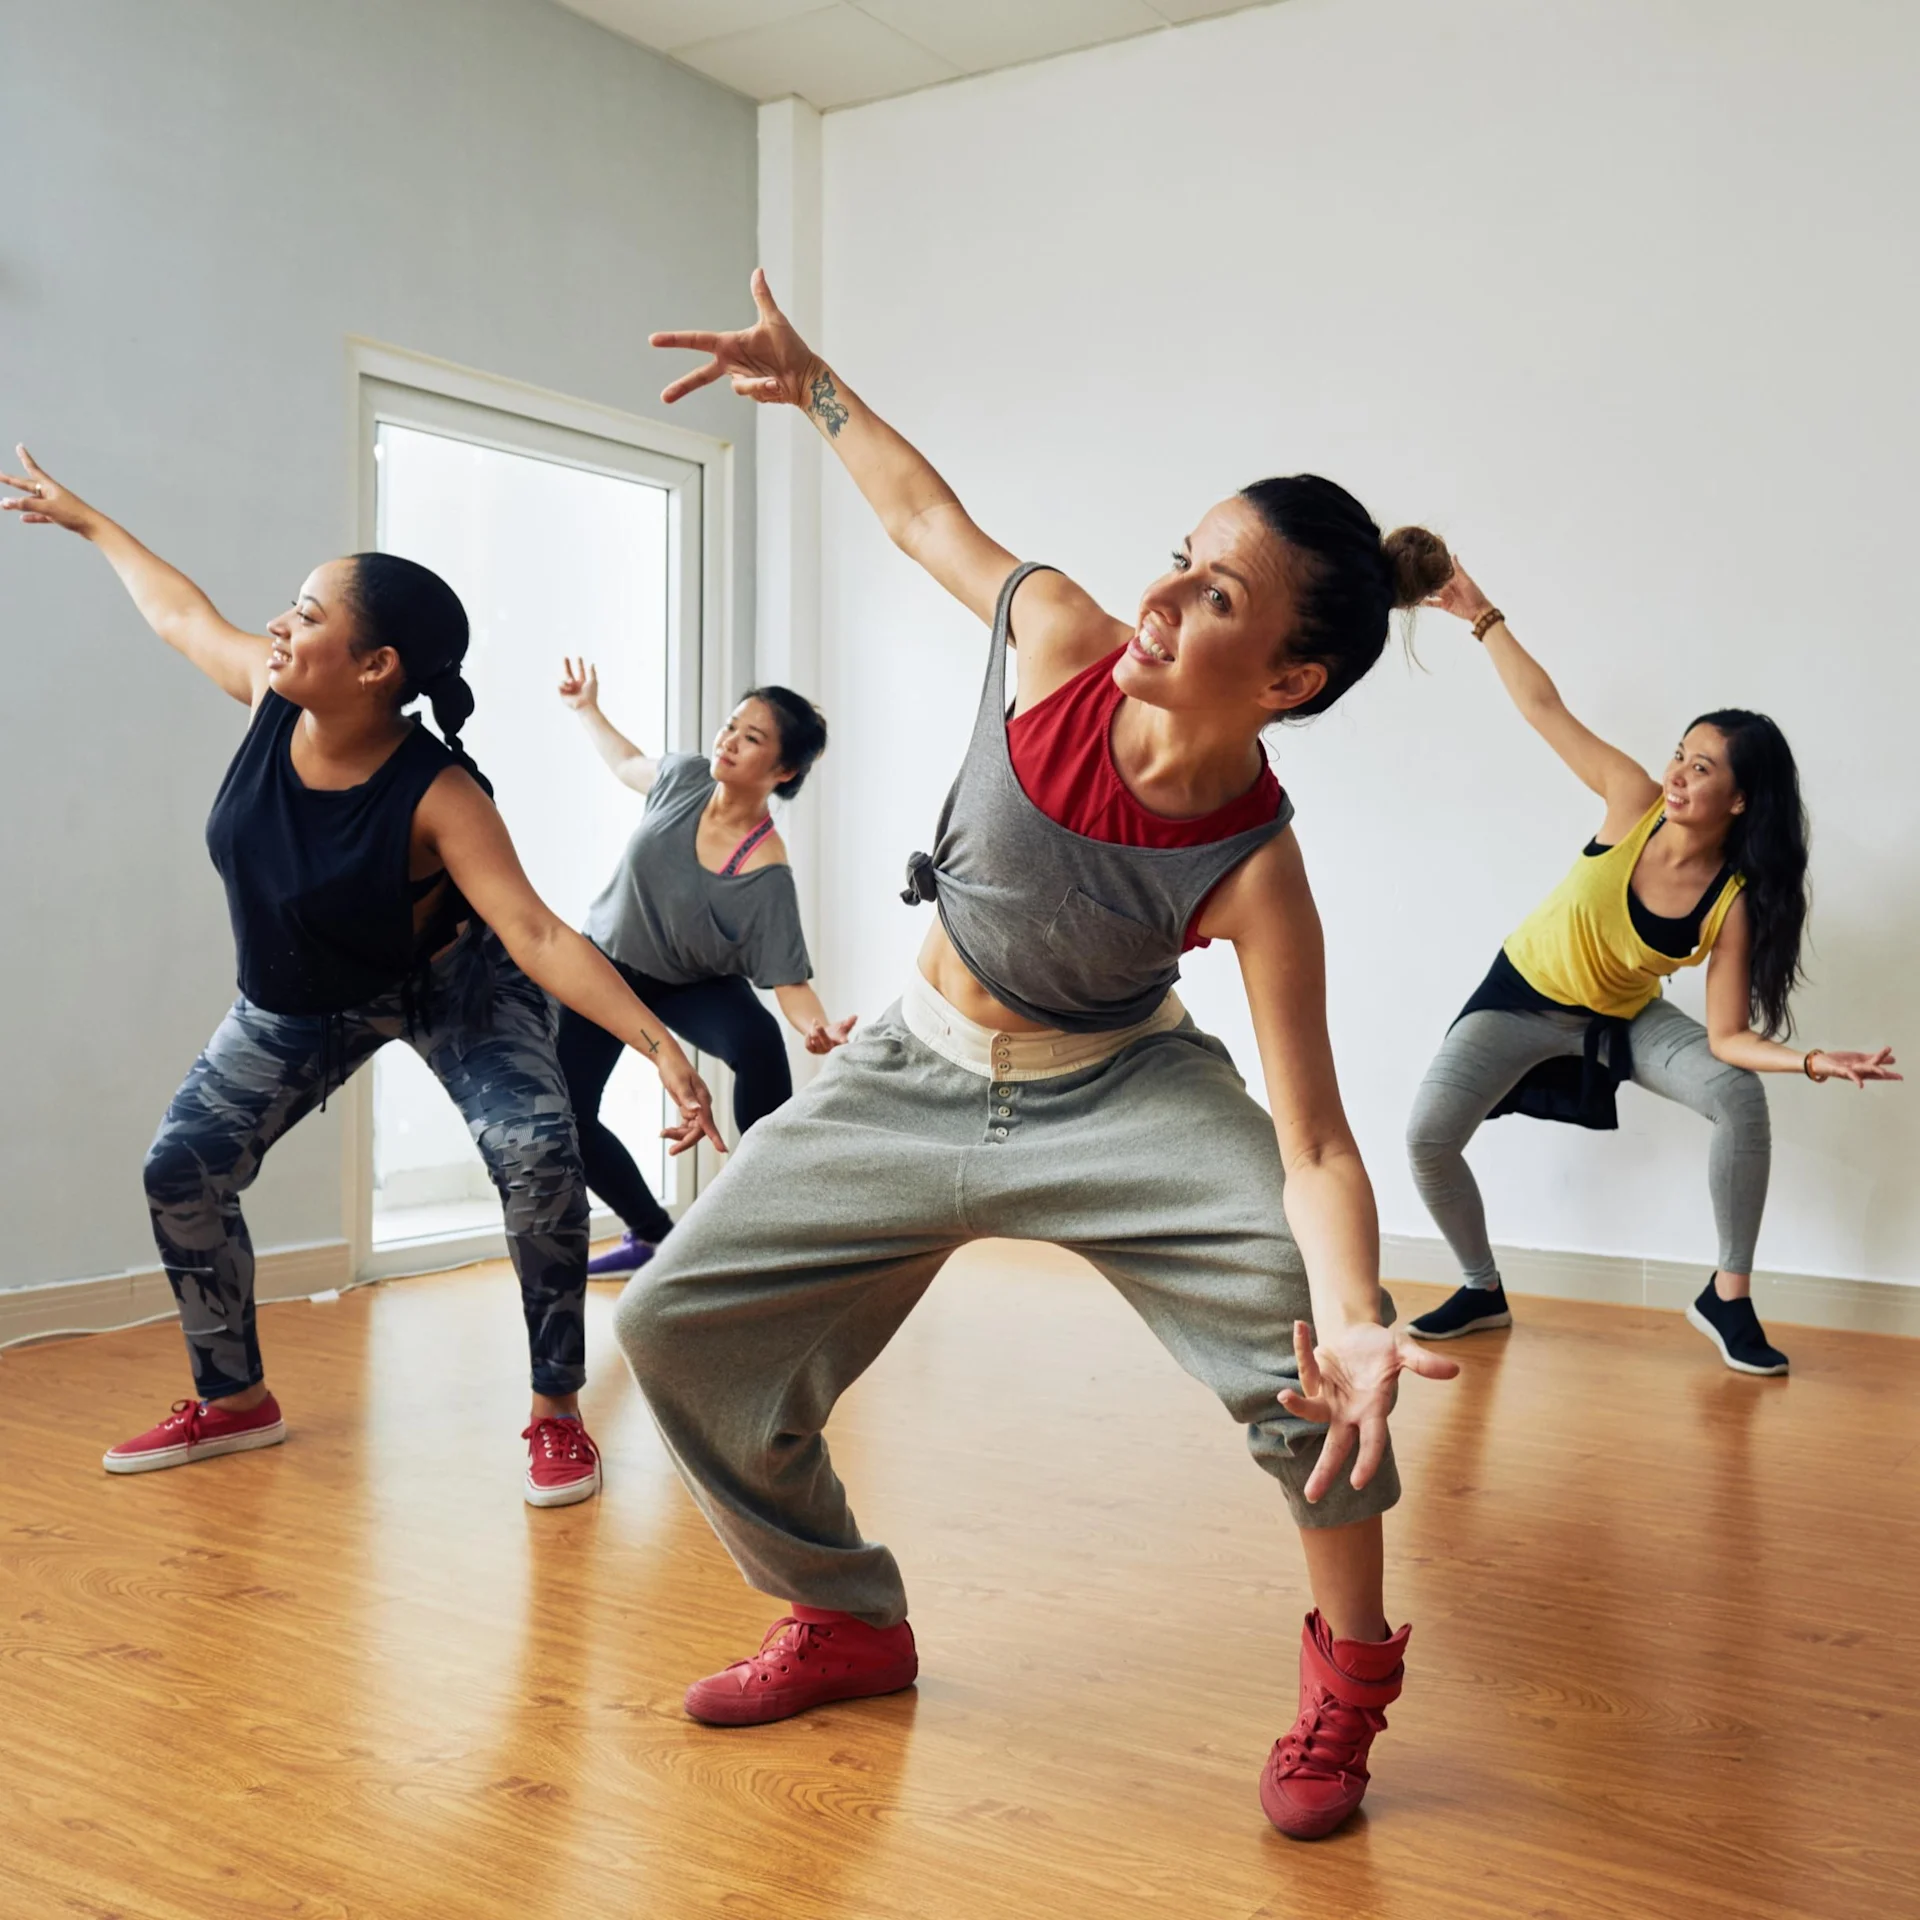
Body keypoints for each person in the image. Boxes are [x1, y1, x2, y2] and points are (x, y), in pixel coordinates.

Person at [615, 271, 1461, 1842]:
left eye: (1218, 597)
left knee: (1320, 1381)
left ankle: (1351, 1676)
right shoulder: (1062, 637)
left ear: (1289, 681)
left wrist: (1354, 1311)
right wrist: (812, 386)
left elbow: (1319, 1143)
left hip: (1121, 1090)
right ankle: (848, 1618)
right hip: (917, 1064)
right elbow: (926, 519)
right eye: (1181, 560)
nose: (1165, 598)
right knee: (674, 1323)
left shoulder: (1256, 862)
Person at [3, 445, 722, 1506]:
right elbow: (179, 614)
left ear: (377, 665)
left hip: (455, 986)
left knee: (538, 1157)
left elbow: (532, 931)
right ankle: (234, 1397)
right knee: (182, 1168)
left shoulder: (439, 794)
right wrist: (90, 521)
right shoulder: (268, 699)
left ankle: (555, 1411)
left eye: (305, 612)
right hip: (302, 999)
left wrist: (661, 1046)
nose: (279, 625)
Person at [1404, 561, 1899, 1374]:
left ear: (1740, 799)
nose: (1677, 772)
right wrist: (1481, 614)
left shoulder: (1732, 900)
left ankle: (1726, 1297)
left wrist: (1810, 1061)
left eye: (1702, 768)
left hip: (1620, 1019)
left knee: (1737, 1097)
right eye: (1681, 754)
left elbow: (1730, 1037)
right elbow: (1542, 708)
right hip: (1519, 997)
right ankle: (1481, 1288)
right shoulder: (1631, 801)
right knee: (1427, 1137)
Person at [552, 662, 853, 1275]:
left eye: (751, 738)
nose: (728, 741)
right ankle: (652, 1235)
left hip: (690, 983)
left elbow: (788, 980)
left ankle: (769, 1220)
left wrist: (815, 1028)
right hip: (606, 966)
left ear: (783, 770)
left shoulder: (765, 867)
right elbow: (626, 761)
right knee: (566, 1112)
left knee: (759, 1040)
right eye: (730, 726)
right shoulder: (684, 778)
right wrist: (587, 708)